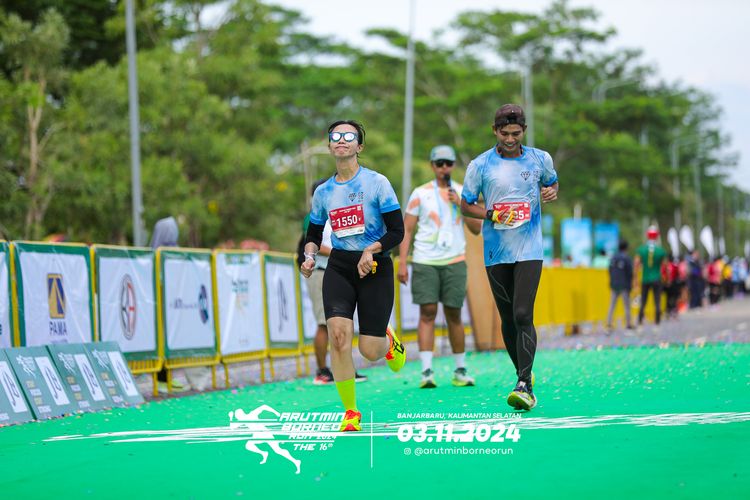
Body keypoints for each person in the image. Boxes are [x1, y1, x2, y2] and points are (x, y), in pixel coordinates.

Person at [300, 120, 406, 432]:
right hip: (340, 267)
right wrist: (309, 256)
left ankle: (387, 340)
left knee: (369, 351)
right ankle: (350, 411)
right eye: (335, 136)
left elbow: (397, 231)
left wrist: (371, 249)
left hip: (375, 266)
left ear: (359, 146)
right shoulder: (323, 192)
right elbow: (313, 235)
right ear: (330, 145)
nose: (341, 140)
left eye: (349, 136)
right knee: (338, 336)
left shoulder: (377, 183)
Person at [460, 104, 559, 411]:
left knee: (522, 314)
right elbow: (466, 205)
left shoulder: (540, 159)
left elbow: (551, 183)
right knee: (508, 318)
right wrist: (491, 214)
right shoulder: (480, 165)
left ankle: (524, 384)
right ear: (495, 131)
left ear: (524, 131)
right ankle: (522, 374)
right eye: (505, 134)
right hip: (495, 251)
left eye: (516, 133)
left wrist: (551, 191)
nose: (511, 139)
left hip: (530, 249)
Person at [398, 144, 481, 389]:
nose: (444, 167)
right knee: (427, 312)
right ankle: (426, 371)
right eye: (439, 163)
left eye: (448, 163)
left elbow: (476, 229)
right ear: (432, 166)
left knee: (454, 313)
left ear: (453, 165)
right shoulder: (420, 193)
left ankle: (460, 370)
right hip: (425, 261)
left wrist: (461, 205)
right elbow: (407, 230)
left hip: (455, 260)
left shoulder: (463, 192)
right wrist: (402, 262)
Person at [299, 180, 367, 385]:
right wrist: (342, 253)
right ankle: (322, 371)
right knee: (324, 323)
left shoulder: (339, 214)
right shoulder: (313, 217)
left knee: (343, 323)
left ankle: (345, 370)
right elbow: (314, 243)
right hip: (321, 273)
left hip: (340, 274)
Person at [634, 225, 667, 326]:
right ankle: (657, 318)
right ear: (657, 236)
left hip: (645, 278)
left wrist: (635, 278)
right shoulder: (660, 251)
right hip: (657, 277)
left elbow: (636, 264)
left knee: (643, 299)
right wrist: (666, 278)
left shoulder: (641, 249)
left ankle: (640, 318)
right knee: (657, 299)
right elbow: (665, 266)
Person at [605, 240, 634, 331]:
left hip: (614, 284)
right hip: (624, 284)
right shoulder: (627, 258)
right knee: (626, 305)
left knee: (612, 304)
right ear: (626, 248)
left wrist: (612, 281)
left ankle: (609, 323)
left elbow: (609, 269)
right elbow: (630, 272)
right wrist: (630, 284)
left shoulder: (613, 257)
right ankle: (628, 324)